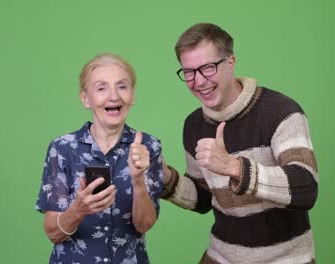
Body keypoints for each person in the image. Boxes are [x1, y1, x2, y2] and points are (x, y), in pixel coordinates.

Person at [161, 23, 319, 263]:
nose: (199, 81)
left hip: (284, 258)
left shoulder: (281, 112)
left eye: (208, 68)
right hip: (222, 255)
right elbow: (203, 199)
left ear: (230, 62)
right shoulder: (193, 125)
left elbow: (305, 188)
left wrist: (234, 167)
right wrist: (164, 177)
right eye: (189, 72)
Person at [35, 53, 163, 263]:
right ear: (86, 98)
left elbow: (144, 225)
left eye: (122, 86)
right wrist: (78, 209)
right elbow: (53, 234)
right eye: (101, 88)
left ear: (132, 95)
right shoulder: (63, 148)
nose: (113, 96)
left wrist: (138, 180)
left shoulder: (148, 147)